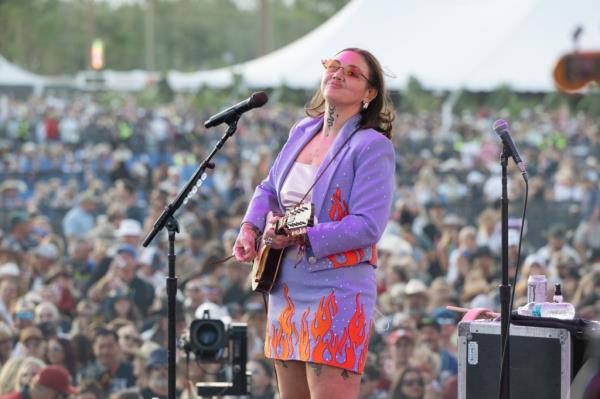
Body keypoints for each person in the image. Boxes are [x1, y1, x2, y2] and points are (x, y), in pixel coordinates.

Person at [233, 48, 395, 399]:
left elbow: (368, 225)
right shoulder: (302, 130)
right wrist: (250, 227)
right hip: (286, 285)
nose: (338, 74)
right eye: (333, 66)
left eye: (352, 72)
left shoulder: (371, 146)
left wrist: (300, 236)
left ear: (369, 94)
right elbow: (269, 189)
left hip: (337, 289)